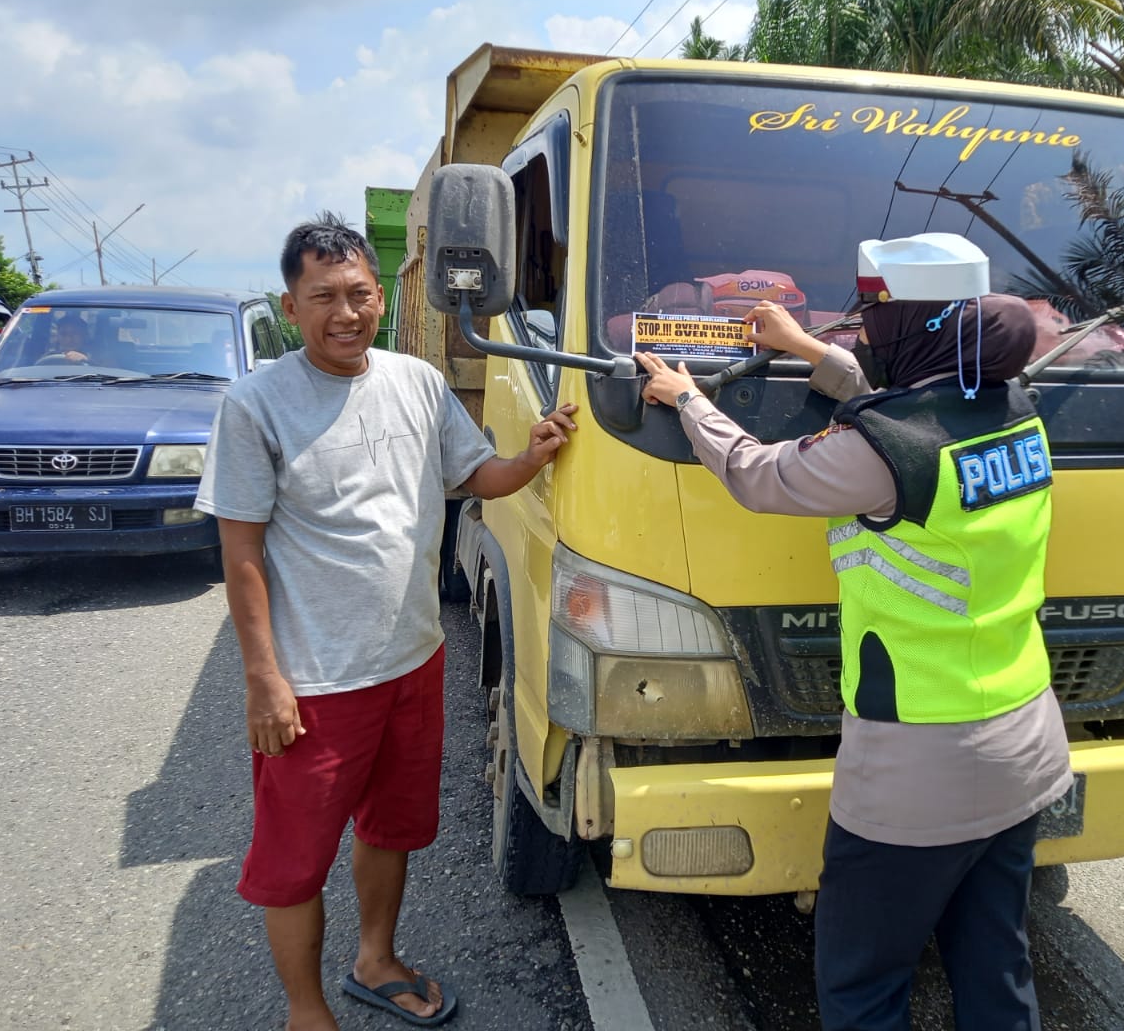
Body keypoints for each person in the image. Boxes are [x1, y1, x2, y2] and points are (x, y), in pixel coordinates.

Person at [636, 233, 1071, 1031]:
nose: (866, 330)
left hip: (921, 765)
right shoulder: (1014, 409)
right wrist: (807, 349)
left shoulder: (881, 453)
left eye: (877, 316)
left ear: (918, 326)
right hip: (1026, 741)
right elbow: (912, 399)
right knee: (995, 963)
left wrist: (686, 398)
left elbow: (759, 475)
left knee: (864, 983)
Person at [195, 212, 578, 1031]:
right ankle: (307, 1012)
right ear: (290, 306)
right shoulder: (256, 403)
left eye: (360, 293)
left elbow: (477, 475)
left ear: (382, 296)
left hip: (412, 662)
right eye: (323, 296)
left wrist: (535, 454)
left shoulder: (417, 382)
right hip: (317, 681)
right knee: (294, 864)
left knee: (392, 828)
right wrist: (264, 679)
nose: (346, 312)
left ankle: (376, 959)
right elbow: (242, 555)